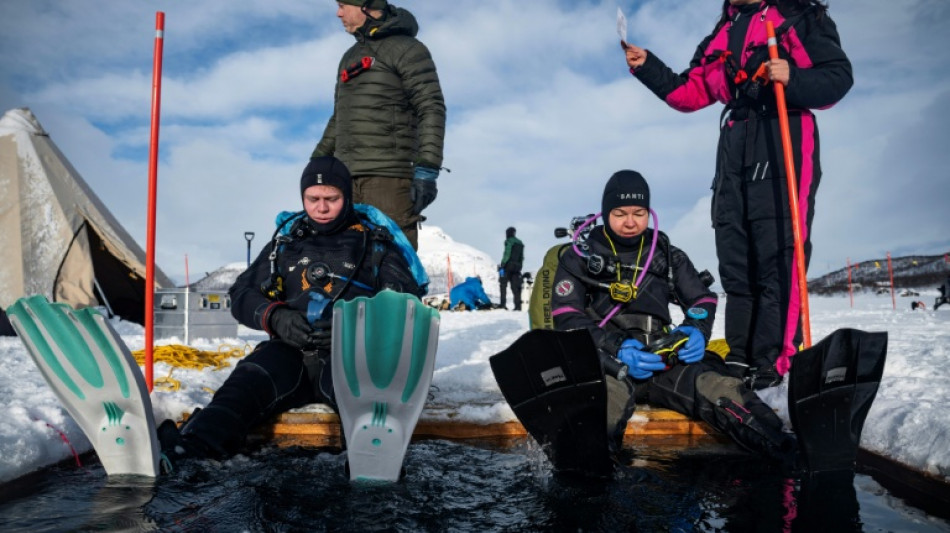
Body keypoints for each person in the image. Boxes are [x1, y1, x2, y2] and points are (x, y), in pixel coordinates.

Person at [622, 0, 853, 390]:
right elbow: (689, 92)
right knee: (735, 257)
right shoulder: (723, 32)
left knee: (777, 254)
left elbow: (837, 78)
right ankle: (740, 356)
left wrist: (792, 76)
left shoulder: (800, 16)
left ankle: (774, 361)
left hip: (782, 134)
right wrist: (648, 66)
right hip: (734, 141)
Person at [157, 156, 423, 462]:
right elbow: (241, 293)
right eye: (313, 199)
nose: (321, 208)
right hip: (288, 353)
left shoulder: (375, 244)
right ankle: (187, 454)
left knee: (369, 408)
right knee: (244, 384)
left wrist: (353, 329)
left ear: (347, 196)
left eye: (331, 199)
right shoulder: (285, 243)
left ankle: (374, 467)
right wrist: (275, 317)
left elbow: (406, 303)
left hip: (349, 356)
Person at [551, 170, 796, 465]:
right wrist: (616, 348)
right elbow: (566, 316)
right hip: (606, 364)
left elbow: (702, 298)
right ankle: (588, 488)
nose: (630, 222)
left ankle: (788, 457)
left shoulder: (665, 253)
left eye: (639, 213)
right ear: (605, 213)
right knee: (596, 420)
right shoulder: (579, 256)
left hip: (663, 359)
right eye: (620, 213)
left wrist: (695, 329)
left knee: (722, 391)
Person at [312, 0, 446, 251]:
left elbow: (431, 107)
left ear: (366, 6)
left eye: (343, 5)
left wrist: (427, 169)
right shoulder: (349, 57)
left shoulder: (408, 50)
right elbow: (338, 116)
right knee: (344, 266)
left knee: (393, 266)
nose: (338, 13)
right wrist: (317, 161)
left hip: (389, 180)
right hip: (344, 180)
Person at [498, 227, 525, 311]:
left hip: (508, 266)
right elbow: (521, 257)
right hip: (517, 267)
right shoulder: (520, 243)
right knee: (515, 287)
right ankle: (518, 306)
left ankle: (503, 304)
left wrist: (502, 264)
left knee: (503, 284)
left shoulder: (509, 241)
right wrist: (520, 266)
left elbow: (507, 253)